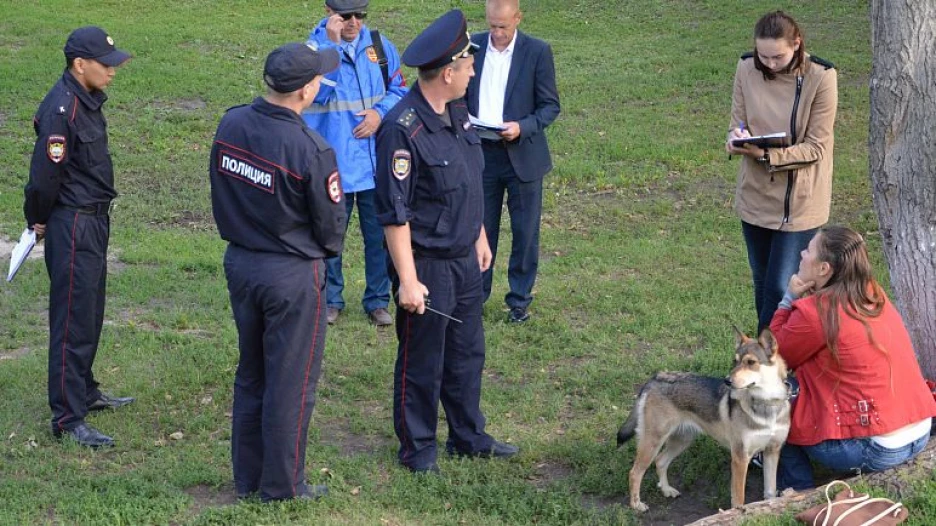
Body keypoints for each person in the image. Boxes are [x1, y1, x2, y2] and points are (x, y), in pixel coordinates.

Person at [374, 9, 519, 474]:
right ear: (448, 72)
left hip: (464, 260)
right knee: (423, 361)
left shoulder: (457, 111)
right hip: (428, 265)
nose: (474, 70)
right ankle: (418, 449)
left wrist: (478, 234)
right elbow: (395, 215)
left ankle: (467, 435)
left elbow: (466, 180)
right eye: (468, 65)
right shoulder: (402, 129)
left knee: (466, 353)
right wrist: (409, 281)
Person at [209, 43, 346, 501]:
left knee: (252, 374)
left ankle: (247, 479)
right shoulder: (312, 149)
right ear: (306, 90)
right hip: (290, 275)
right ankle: (283, 486)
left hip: (241, 264)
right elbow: (331, 230)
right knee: (291, 382)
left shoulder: (230, 123)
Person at [24, 26, 134, 449]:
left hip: (93, 221)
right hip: (72, 224)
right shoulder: (62, 109)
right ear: (79, 64)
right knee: (72, 320)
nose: (112, 71)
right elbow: (43, 178)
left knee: (89, 312)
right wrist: (37, 219)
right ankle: (68, 418)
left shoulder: (85, 100)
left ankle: (85, 390)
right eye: (105, 65)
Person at [770, 225, 936, 490]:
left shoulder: (816, 313)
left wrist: (789, 298)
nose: (801, 253)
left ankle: (795, 490)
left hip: (878, 448)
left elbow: (774, 355)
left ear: (824, 269)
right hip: (919, 430)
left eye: (808, 249)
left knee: (775, 399)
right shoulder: (872, 292)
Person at [725, 11, 838, 332]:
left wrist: (766, 155)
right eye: (764, 56)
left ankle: (767, 360)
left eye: (778, 56)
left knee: (781, 288)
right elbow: (738, 122)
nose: (770, 63)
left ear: (797, 44)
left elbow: (816, 147)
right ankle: (773, 364)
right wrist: (736, 138)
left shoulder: (821, 76)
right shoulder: (746, 68)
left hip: (799, 202)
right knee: (763, 284)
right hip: (755, 196)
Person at [303, 0, 408, 326]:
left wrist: (379, 114)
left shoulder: (379, 46)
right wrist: (331, 50)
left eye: (360, 16)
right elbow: (314, 96)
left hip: (373, 163)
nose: (353, 23)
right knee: (330, 238)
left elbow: (400, 89)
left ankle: (376, 302)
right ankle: (331, 299)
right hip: (333, 163)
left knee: (379, 238)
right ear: (328, 12)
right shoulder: (313, 50)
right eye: (346, 16)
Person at [465, 0, 560, 323]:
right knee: (480, 228)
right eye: (492, 25)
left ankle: (519, 301)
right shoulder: (473, 46)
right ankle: (475, 296)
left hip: (523, 156)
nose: (497, 33)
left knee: (525, 232)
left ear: (518, 19)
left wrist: (522, 127)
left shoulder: (537, 52)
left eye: (503, 26)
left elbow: (550, 106)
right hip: (482, 153)